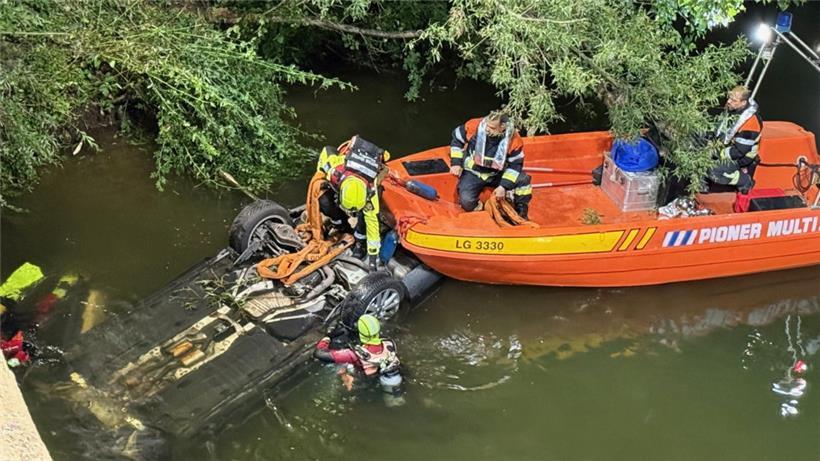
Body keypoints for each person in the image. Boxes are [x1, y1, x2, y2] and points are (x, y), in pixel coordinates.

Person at [316, 136, 390, 270]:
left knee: (367, 216)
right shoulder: (332, 169)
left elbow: (372, 225)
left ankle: (360, 242)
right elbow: (326, 151)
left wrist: (373, 258)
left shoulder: (370, 191)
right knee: (323, 200)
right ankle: (341, 226)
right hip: (345, 168)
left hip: (369, 168)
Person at [449, 111, 532, 219]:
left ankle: (521, 210)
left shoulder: (514, 140)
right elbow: (457, 140)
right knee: (466, 201)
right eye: (487, 125)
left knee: (523, 180)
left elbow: (515, 165)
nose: (487, 129)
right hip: (473, 172)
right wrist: (456, 163)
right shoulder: (474, 126)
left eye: (492, 128)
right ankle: (481, 210)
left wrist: (503, 186)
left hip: (497, 173)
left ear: (502, 127)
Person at [313, 314, 403, 399]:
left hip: (365, 382)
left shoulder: (353, 355)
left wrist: (327, 337)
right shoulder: (388, 343)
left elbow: (319, 354)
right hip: (389, 376)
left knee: (343, 370)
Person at [708, 86, 763, 193]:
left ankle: (744, 180)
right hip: (727, 146)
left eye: (733, 100)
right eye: (729, 98)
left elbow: (739, 151)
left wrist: (717, 153)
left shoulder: (750, 124)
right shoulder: (733, 109)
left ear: (743, 103)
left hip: (742, 157)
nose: (728, 101)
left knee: (714, 170)